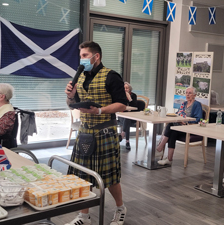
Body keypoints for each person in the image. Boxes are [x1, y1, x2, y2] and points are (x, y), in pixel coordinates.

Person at [65, 41, 128, 225]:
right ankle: (83, 217)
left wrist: (100, 111)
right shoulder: (81, 77)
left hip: (105, 132)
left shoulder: (111, 76)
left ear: (96, 56)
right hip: (85, 132)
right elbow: (72, 104)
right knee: (82, 177)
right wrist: (70, 95)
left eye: (85, 55)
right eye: (81, 56)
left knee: (110, 177)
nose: (81, 59)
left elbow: (122, 104)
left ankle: (120, 208)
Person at [156, 87, 203, 166]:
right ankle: (169, 159)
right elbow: (178, 113)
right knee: (173, 131)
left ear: (194, 95)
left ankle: (160, 146)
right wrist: (179, 119)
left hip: (189, 128)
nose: (187, 95)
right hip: (179, 127)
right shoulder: (184, 103)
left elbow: (198, 119)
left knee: (170, 126)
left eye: (190, 93)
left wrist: (186, 121)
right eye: (186, 93)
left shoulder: (197, 104)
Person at [119, 82, 137, 150]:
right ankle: (127, 142)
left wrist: (129, 98)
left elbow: (134, 105)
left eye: (127, 88)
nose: (125, 89)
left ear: (130, 89)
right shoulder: (120, 95)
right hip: (121, 115)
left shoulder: (133, 95)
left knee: (128, 119)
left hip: (131, 116)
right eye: (124, 88)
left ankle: (123, 134)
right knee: (127, 120)